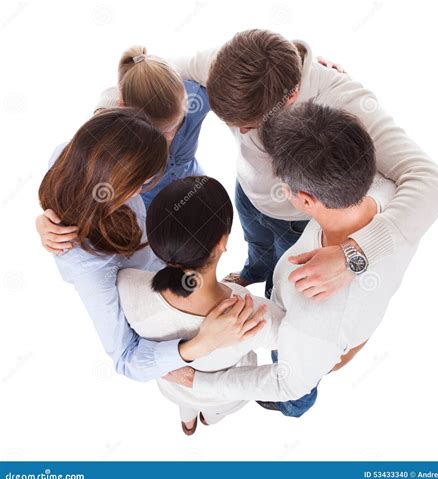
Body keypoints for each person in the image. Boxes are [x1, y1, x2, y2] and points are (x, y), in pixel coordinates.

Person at [167, 102, 427, 418]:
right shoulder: (393, 197)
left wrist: (200, 385)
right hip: (320, 322)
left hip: (312, 349)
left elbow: (289, 383)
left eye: (283, 187)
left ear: (304, 200)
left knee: (296, 395)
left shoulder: (316, 316)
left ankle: (292, 412)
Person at [171, 29, 438, 298]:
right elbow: (160, 67)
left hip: (295, 221)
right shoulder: (228, 65)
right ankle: (251, 272)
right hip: (247, 194)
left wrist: (354, 254)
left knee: (283, 284)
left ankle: (270, 292)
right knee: (256, 248)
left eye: (248, 124)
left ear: (291, 96)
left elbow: (432, 182)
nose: (242, 133)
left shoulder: (344, 101)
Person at [38, 108, 266, 382]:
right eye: (143, 182)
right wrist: (200, 344)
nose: (143, 190)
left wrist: (41, 220)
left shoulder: (70, 155)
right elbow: (125, 358)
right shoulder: (92, 268)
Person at [117, 176, 283, 435]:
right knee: (213, 414)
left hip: (173, 386)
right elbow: (297, 347)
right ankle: (207, 420)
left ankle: (188, 422)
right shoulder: (249, 313)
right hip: (221, 396)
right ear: (222, 243)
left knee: (185, 406)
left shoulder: (126, 286)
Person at [36, 44, 210, 252]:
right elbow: (69, 177)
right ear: (123, 111)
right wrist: (45, 222)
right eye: (159, 133)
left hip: (194, 193)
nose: (170, 137)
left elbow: (232, 62)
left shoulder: (194, 96)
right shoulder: (103, 139)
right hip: (149, 216)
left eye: (177, 125)